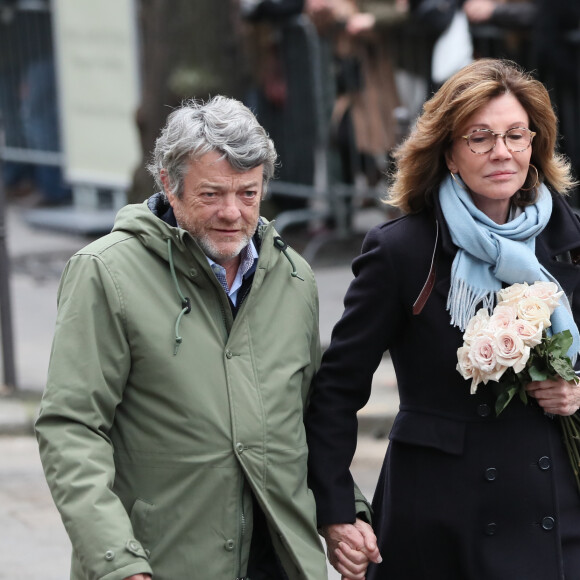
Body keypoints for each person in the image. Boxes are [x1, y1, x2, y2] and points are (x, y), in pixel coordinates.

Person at [35, 96, 376, 580]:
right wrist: (118, 560)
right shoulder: (105, 273)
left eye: (248, 194)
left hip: (279, 559)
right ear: (169, 188)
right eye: (212, 194)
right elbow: (71, 428)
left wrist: (343, 512)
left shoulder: (294, 278)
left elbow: (305, 420)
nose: (233, 213)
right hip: (162, 560)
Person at [305, 58, 580, 579]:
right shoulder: (403, 251)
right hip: (438, 515)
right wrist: (337, 510)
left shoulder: (569, 242)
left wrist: (578, 389)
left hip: (554, 511)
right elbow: (337, 390)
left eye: (516, 135)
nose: (502, 152)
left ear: (534, 145)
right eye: (480, 137)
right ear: (449, 152)